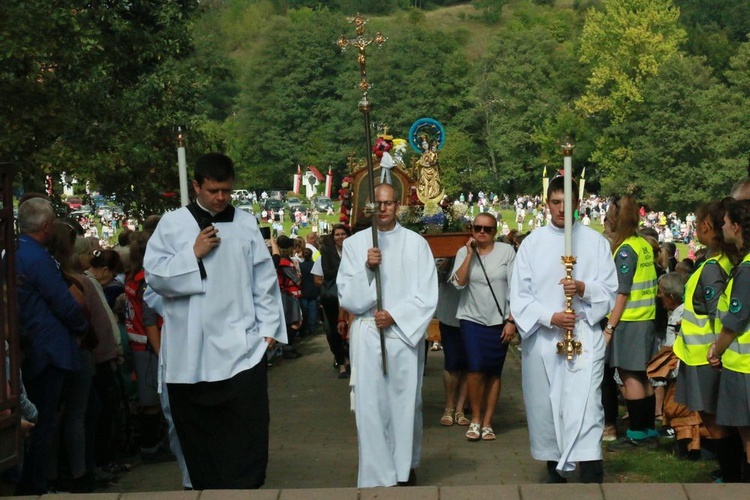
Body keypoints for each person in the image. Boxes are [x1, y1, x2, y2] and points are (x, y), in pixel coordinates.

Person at [144, 152, 286, 490]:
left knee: (246, 428)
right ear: (196, 186)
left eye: (226, 190)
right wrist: (192, 254)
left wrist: (268, 330)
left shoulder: (246, 223)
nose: (220, 198)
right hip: (191, 349)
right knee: (199, 435)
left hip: (242, 345)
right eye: (212, 191)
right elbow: (154, 277)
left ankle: (245, 488)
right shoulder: (173, 224)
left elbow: (263, 280)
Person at [510, 177, 617, 483]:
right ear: (547, 204)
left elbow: (610, 290)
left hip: (583, 335)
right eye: (555, 202)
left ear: (577, 205)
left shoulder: (595, 243)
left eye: (567, 203)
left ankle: (592, 470)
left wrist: (583, 287)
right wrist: (549, 317)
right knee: (547, 406)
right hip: (544, 340)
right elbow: (519, 296)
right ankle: (554, 470)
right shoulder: (532, 244)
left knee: (586, 405)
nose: (560, 209)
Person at [337, 183, 438, 488]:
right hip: (367, 334)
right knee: (370, 406)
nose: (383, 209)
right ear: (370, 206)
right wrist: (368, 269)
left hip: (402, 335)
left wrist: (394, 314)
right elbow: (347, 297)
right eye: (378, 204)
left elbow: (427, 294)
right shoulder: (356, 245)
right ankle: (376, 472)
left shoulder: (416, 244)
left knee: (406, 403)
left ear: (398, 206)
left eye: (389, 203)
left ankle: (404, 468)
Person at [14, 198, 90, 495]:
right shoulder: (37, 258)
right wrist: (83, 327)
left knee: (35, 417)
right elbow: (62, 302)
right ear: (46, 226)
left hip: (27, 342)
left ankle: (32, 480)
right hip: (47, 347)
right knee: (43, 421)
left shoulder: (14, 252)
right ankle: (36, 484)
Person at [674, 200, 741, 482]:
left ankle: (730, 472)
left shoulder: (713, 267)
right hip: (703, 353)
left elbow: (717, 313)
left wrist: (717, 350)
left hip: (705, 356)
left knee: (717, 419)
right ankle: (731, 468)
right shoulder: (716, 261)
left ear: (707, 226)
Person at [450, 212, 516, 442]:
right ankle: (475, 418)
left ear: (495, 232)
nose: (482, 232)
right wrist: (469, 255)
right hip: (471, 319)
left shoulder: (507, 252)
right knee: (475, 368)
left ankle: (488, 421)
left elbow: (514, 288)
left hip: (498, 321)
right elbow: (458, 283)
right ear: (472, 229)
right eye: (478, 227)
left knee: (493, 372)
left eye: (487, 229)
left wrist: (511, 321)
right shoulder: (463, 252)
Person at [605, 195, 660, 450]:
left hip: (630, 320)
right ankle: (648, 427)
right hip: (646, 317)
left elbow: (622, 292)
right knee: (642, 375)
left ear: (616, 219)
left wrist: (610, 326)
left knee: (630, 377)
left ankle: (637, 432)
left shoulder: (626, 249)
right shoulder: (644, 244)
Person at [709, 198, 750, 482]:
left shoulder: (747, 269)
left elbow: (736, 319)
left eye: (724, 223)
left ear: (736, 227)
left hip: (743, 365)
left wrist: (716, 349)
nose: (721, 227)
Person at [316, 224, 352, 378]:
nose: (340, 237)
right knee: (333, 331)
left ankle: (351, 359)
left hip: (352, 295)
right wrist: (345, 267)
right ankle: (341, 363)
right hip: (333, 296)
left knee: (351, 330)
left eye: (343, 234)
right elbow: (327, 273)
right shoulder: (326, 252)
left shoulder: (354, 250)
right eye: (337, 235)